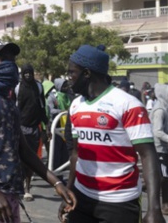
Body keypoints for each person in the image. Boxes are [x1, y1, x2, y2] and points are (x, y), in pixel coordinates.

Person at [0, 39, 76, 223]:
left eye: (11, 59)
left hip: (10, 190)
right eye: (2, 59)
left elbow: (24, 150)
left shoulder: (9, 102)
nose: (9, 64)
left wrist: (56, 182)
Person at [64, 44, 164, 223]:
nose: (68, 78)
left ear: (87, 73)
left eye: (72, 73)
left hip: (119, 202)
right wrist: (68, 190)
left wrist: (154, 209)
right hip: (81, 196)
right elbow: (76, 154)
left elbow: (148, 155)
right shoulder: (75, 105)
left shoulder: (128, 104)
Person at [15, 64, 48, 202]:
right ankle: (18, 186)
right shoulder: (17, 88)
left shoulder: (39, 87)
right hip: (20, 128)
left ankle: (27, 189)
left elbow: (42, 108)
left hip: (35, 128)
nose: (28, 75)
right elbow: (14, 108)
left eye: (30, 72)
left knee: (32, 159)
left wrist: (46, 128)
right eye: (25, 73)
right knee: (19, 159)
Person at [152, 83, 168, 216]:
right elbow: (157, 132)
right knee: (163, 178)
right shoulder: (160, 110)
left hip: (165, 148)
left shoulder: (165, 108)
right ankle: (163, 205)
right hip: (159, 149)